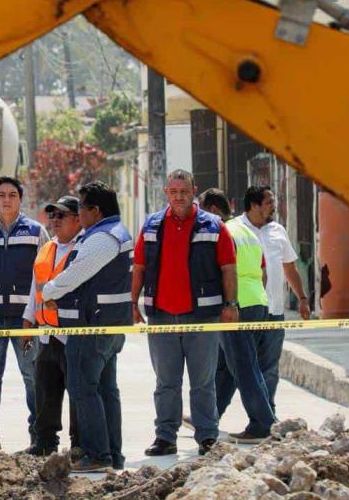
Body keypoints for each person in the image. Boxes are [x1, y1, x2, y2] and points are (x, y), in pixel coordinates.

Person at [132, 169, 237, 458]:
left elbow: (228, 267)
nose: (179, 196)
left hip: (202, 318)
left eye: (184, 191)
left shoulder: (214, 226)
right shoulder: (151, 226)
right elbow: (139, 267)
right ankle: (165, 437)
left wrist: (231, 304)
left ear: (194, 191)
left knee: (203, 382)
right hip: (162, 317)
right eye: (174, 191)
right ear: (166, 192)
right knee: (166, 382)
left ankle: (207, 437)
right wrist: (133, 303)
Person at [42, 181, 133, 472]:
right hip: (104, 325)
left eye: (81, 207)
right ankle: (111, 454)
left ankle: (97, 455)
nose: (78, 213)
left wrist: (51, 291)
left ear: (96, 210)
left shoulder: (103, 237)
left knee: (83, 387)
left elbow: (78, 273)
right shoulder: (111, 233)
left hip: (91, 327)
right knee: (105, 390)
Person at [199, 189, 275, 444]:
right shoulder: (247, 232)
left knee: (243, 367)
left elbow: (222, 271)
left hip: (237, 306)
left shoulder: (224, 232)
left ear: (213, 211)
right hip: (257, 302)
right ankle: (209, 415)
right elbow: (263, 272)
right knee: (229, 366)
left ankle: (263, 423)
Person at [0, 176, 49, 441]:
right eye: (1, 195)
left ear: (21, 199)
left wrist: (38, 314)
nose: (7, 200)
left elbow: (45, 275)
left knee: (31, 375)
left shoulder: (35, 232)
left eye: (12, 195)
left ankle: (39, 431)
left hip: (25, 321)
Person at [237, 185, 311, 413]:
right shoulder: (235, 230)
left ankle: (267, 413)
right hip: (246, 311)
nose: (273, 206)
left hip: (274, 311)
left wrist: (302, 298)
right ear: (253, 205)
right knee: (244, 367)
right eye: (268, 202)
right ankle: (248, 414)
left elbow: (290, 267)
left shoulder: (278, 231)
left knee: (269, 367)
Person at [22, 194, 83, 456]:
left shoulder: (84, 248)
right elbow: (34, 289)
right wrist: (28, 322)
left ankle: (79, 443)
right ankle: (45, 442)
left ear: (78, 220)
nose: (55, 221)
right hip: (47, 334)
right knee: (45, 390)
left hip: (72, 334)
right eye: (52, 215)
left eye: (62, 215)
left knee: (78, 392)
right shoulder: (47, 248)